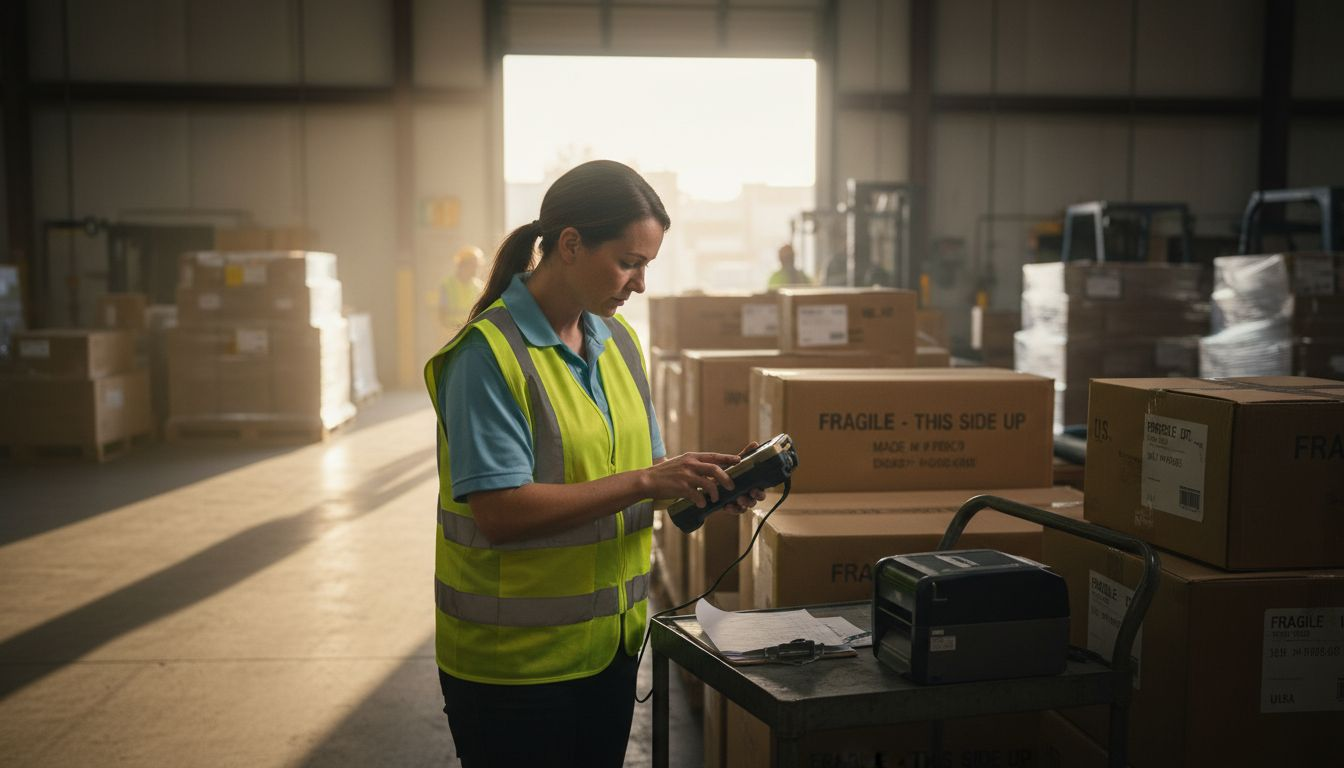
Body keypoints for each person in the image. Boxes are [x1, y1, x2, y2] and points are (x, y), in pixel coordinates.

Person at [424, 159, 764, 768]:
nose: (638, 285)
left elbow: (641, 471)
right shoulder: (487, 357)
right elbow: (501, 513)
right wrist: (646, 480)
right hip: (514, 670)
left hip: (610, 650)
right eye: (629, 263)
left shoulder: (619, 343)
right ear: (571, 245)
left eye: (647, 267)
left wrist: (697, 484)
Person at [439, 245, 485, 332]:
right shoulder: (447, 285)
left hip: (469, 331)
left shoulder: (479, 287)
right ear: (463, 265)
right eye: (473, 265)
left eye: (477, 265)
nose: (476, 269)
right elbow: (441, 312)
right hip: (450, 331)